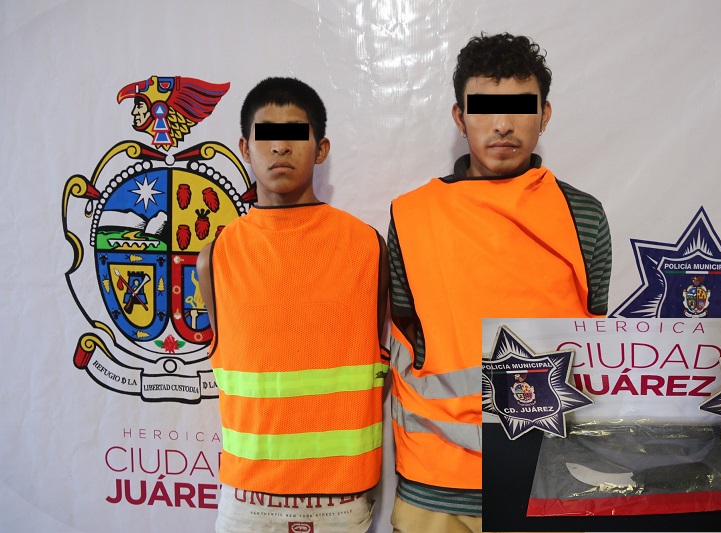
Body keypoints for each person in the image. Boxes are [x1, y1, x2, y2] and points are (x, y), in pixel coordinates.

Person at [387, 33, 612, 532]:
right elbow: (410, 333)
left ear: (545, 115)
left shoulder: (583, 216)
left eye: (520, 107)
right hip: (435, 486)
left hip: (548, 478)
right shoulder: (411, 216)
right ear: (459, 116)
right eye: (485, 108)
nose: (503, 124)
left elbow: (594, 338)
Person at [197, 77, 389, 533]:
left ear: (321, 149)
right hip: (248, 500)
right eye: (266, 135)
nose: (280, 147)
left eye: (295, 135)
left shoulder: (368, 248)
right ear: (245, 148)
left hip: (341, 500)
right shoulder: (216, 257)